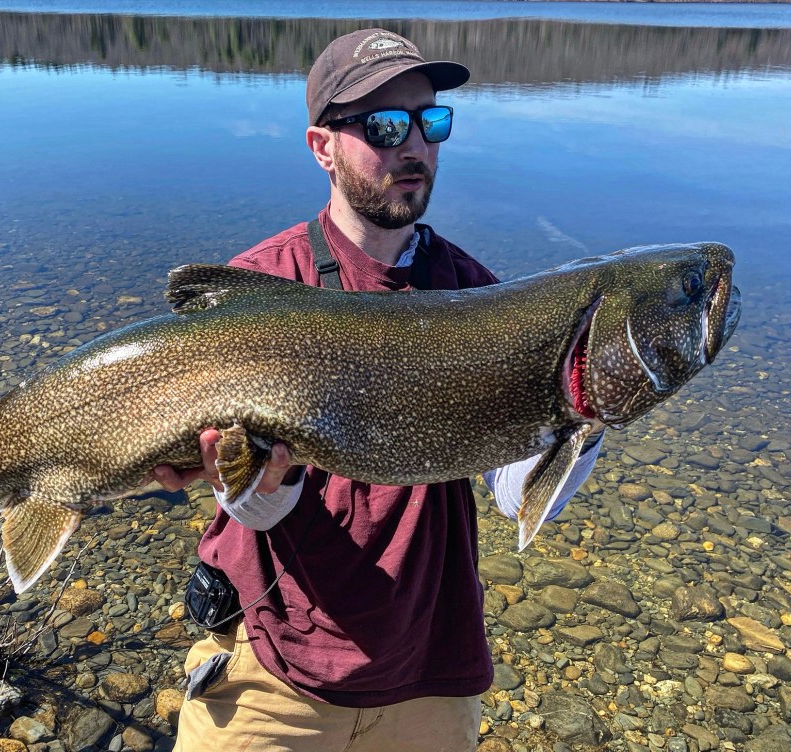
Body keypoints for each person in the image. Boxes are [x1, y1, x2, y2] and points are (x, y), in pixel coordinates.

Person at [155, 28, 603, 752]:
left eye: (432, 122)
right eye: (385, 126)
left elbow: (514, 494)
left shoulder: (475, 294)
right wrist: (255, 483)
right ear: (321, 147)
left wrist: (587, 403)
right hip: (274, 672)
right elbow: (251, 509)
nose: (414, 147)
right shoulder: (265, 287)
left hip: (431, 670)